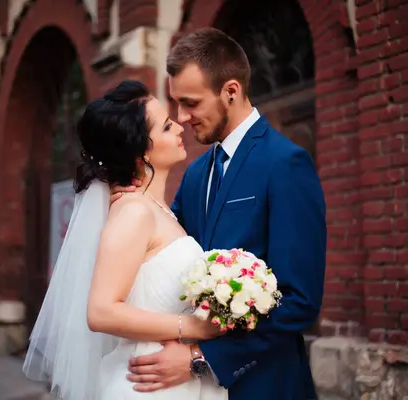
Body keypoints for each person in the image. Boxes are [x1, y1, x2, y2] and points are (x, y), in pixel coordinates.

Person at [112, 28, 327, 400]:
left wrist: (201, 357)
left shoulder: (286, 164)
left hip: (267, 385)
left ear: (231, 91)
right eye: (177, 103)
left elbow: (300, 301)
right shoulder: (195, 174)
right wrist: (135, 204)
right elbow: (165, 254)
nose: (182, 117)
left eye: (191, 103)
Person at [22, 80, 228, 400]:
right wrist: (194, 329)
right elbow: (101, 312)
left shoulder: (159, 210)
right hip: (147, 382)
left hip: (174, 378)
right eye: (166, 126)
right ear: (140, 152)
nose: (179, 126)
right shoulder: (134, 213)